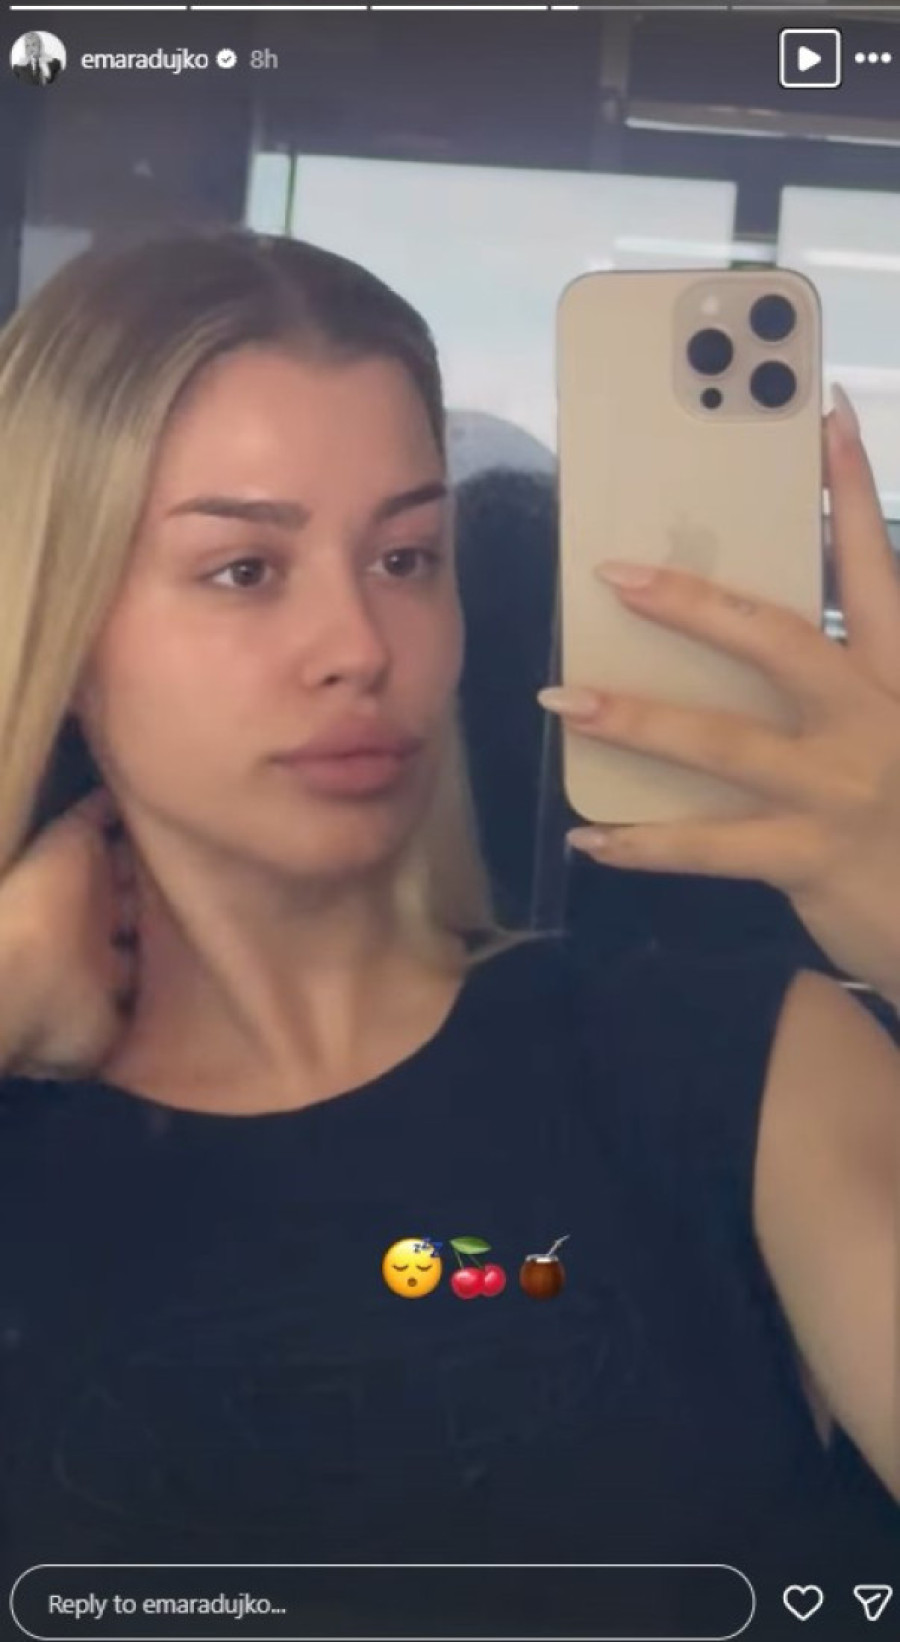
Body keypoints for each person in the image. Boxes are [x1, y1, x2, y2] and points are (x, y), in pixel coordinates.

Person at [0, 230, 897, 1636]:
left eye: (406, 555)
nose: (361, 644)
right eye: (244, 569)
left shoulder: (735, 1070)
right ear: (60, 619)